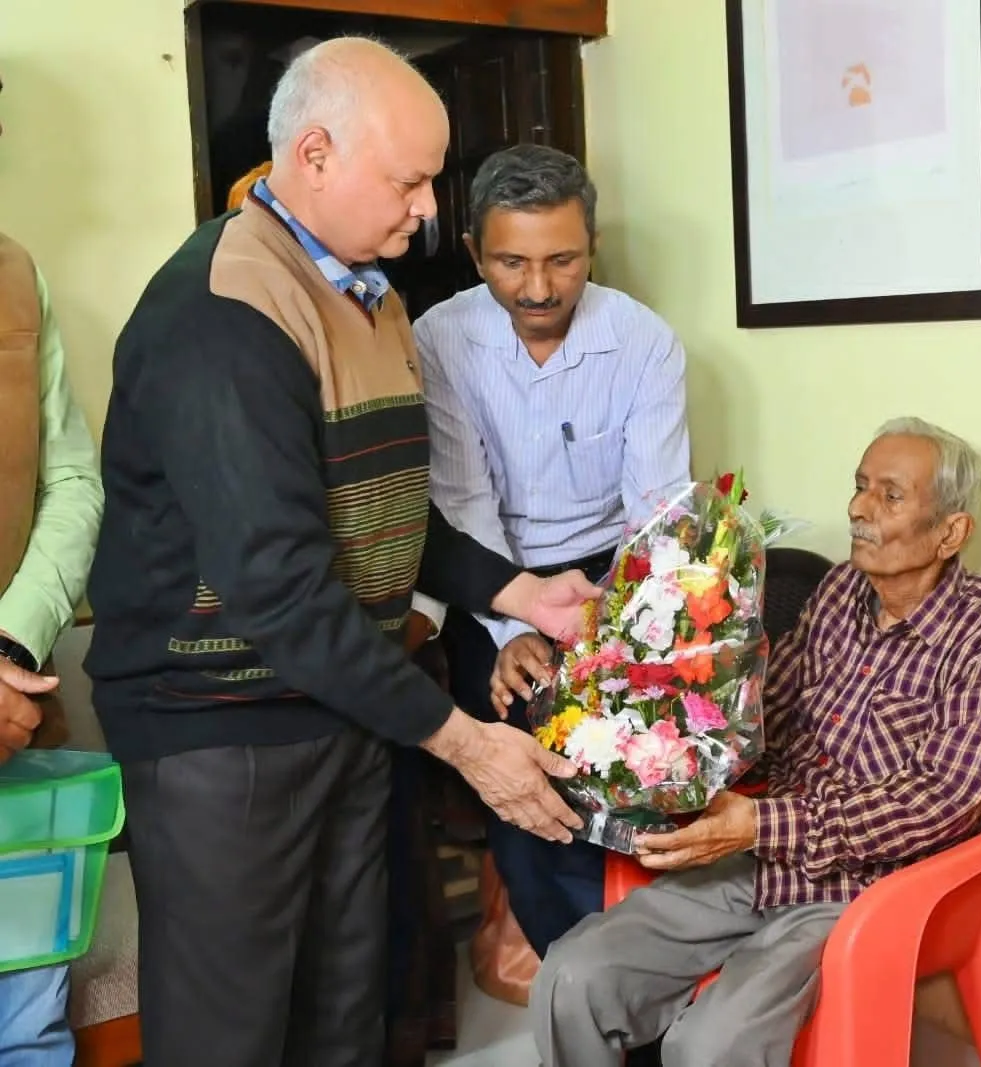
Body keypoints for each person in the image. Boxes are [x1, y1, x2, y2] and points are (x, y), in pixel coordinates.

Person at [83, 39, 600, 1067]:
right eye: (407, 181)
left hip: (343, 705)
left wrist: (518, 589)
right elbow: (276, 584)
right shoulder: (222, 310)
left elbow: (386, 510)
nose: (425, 209)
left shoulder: (370, 295)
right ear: (313, 153)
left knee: (346, 1006)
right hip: (219, 728)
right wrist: (461, 739)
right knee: (231, 1027)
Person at [527, 417, 981, 1067]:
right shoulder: (839, 592)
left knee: (709, 1044)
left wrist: (759, 824)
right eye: (859, 486)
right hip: (764, 852)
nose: (858, 507)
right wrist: (652, 729)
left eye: (889, 494)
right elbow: (765, 718)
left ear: (951, 531)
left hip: (876, 886)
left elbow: (945, 798)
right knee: (573, 976)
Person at [411, 143, 690, 955]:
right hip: (485, 577)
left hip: (614, 577)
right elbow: (463, 502)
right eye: (511, 262)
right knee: (524, 790)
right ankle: (567, 960)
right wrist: (513, 631)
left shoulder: (643, 342)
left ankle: (633, 973)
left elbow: (656, 512)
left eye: (562, 260)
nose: (538, 288)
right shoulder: (441, 339)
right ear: (474, 253)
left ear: (593, 247)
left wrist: (612, 633)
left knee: (631, 776)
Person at [0, 77, 106, 1063]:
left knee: (30, 1032)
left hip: (13, 715)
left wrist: (11, 640)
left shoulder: (12, 273)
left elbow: (72, 478)